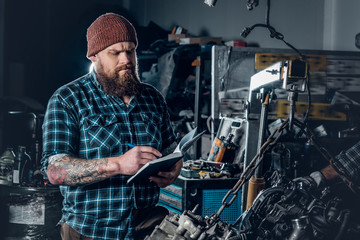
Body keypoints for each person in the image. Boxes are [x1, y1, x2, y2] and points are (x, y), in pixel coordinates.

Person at [41, 13, 182, 240]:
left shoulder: (153, 98)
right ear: (94, 56)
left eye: (131, 51)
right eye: (115, 52)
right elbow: (56, 172)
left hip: (146, 228)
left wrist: (174, 169)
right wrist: (118, 164)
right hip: (91, 230)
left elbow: (171, 150)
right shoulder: (68, 99)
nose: (126, 59)